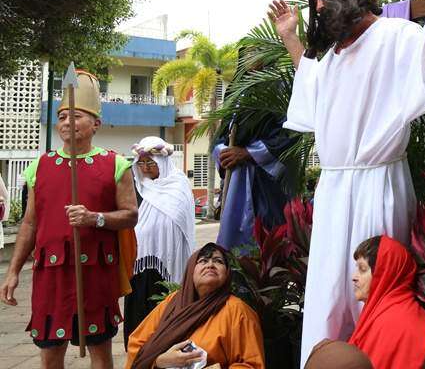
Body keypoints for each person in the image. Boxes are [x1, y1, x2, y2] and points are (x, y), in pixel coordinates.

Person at [269, 0, 425, 364]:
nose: (319, 13)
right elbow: (312, 91)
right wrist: (291, 37)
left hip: (378, 183)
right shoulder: (333, 57)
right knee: (329, 292)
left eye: (323, 3)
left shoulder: (394, 36)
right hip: (334, 190)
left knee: (375, 289)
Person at [0, 70, 138, 368]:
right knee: (50, 353)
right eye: (62, 117)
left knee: (100, 352)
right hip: (51, 274)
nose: (66, 122)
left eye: (76, 116)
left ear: (95, 124)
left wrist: (94, 218)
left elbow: (130, 215)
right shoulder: (40, 165)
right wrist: (12, 272)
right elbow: (29, 224)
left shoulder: (116, 164)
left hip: (96, 272)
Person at [126, 242, 265, 369]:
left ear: (227, 274)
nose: (210, 265)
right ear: (191, 271)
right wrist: (159, 361)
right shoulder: (173, 303)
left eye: (218, 261)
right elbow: (136, 344)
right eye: (203, 261)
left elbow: (251, 364)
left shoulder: (238, 311)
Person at [124, 136, 196, 347]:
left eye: (151, 162)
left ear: (162, 162)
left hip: (168, 266)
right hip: (139, 267)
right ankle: (138, 355)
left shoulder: (178, 186)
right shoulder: (137, 188)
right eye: (141, 163)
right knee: (138, 320)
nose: (145, 168)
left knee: (164, 317)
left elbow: (183, 226)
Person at [213, 109, 298, 250]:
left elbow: (291, 135)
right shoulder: (233, 99)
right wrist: (224, 152)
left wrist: (249, 153)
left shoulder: (276, 98)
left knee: (271, 244)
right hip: (235, 182)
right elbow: (219, 139)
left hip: (267, 188)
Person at [348, 236, 425, 369]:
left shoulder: (397, 321)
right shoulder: (381, 310)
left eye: (362, 269)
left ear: (385, 273)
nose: (354, 277)